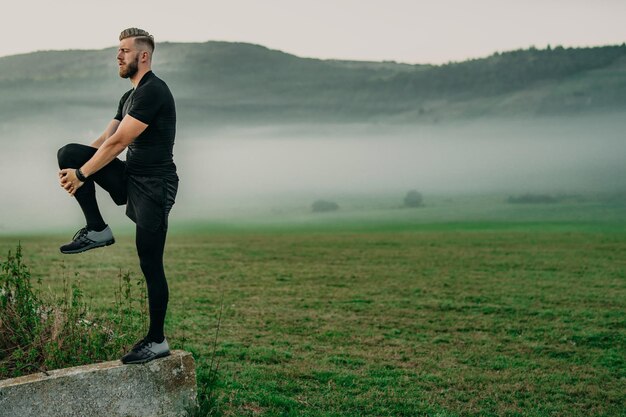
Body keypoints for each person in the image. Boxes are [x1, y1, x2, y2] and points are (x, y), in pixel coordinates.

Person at [57, 27, 178, 364]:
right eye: (118, 51)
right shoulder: (128, 97)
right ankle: (97, 229)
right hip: (131, 176)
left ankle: (157, 341)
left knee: (150, 263)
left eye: (124, 50)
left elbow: (119, 143)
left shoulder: (154, 91)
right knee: (69, 151)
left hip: (155, 185)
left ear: (143, 56)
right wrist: (75, 169)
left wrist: (83, 175)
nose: (118, 56)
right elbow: (103, 140)